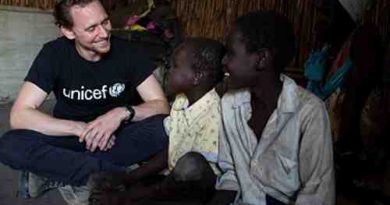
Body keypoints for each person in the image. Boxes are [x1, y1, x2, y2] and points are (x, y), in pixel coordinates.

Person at [0, 0, 169, 203]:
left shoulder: (129, 52)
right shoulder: (54, 54)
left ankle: (62, 173)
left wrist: (122, 113)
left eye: (105, 22)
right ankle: (116, 177)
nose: (104, 33)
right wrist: (80, 128)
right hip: (69, 138)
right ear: (69, 31)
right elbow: (20, 114)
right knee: (11, 144)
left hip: (116, 137)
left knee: (164, 127)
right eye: (91, 28)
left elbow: (161, 105)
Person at [208, 11, 335, 205]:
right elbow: (231, 173)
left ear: (262, 59)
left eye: (231, 53)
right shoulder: (229, 104)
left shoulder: (309, 112)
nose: (224, 61)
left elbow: (316, 194)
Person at [88, 37, 225, 205]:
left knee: (190, 164)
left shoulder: (213, 115)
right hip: (175, 177)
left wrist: (126, 198)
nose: (169, 71)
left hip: (198, 188)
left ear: (197, 76)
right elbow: (171, 149)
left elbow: (192, 174)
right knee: (120, 180)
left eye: (175, 66)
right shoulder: (182, 101)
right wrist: (129, 178)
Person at [305, 0, 382, 196]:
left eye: (328, 5)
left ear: (347, 10)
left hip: (344, 165)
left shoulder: (364, 38)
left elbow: (353, 106)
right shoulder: (326, 49)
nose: (318, 6)